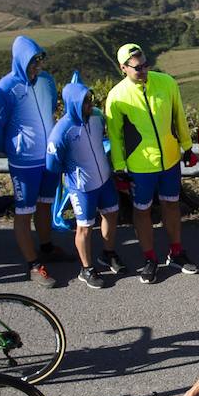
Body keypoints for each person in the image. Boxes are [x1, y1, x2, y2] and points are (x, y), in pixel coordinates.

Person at [104, 43, 199, 284]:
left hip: (169, 159)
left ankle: (176, 252)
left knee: (171, 206)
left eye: (146, 64)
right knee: (142, 211)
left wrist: (187, 147)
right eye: (137, 68)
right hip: (140, 166)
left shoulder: (166, 82)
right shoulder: (116, 96)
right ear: (123, 68)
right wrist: (118, 167)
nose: (144, 70)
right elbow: (115, 136)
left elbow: (178, 115)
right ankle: (149, 258)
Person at [0, 36, 62, 288]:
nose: (36, 65)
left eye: (39, 60)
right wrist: (11, 148)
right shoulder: (5, 88)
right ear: (20, 61)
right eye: (31, 61)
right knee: (24, 211)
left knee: (45, 205)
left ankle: (47, 247)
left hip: (48, 156)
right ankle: (32, 264)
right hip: (24, 161)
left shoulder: (46, 80)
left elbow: (51, 107)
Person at [46, 77, 120, 288]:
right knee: (84, 228)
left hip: (104, 179)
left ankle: (108, 253)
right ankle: (86, 269)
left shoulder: (96, 118)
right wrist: (72, 174)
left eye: (90, 99)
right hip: (82, 186)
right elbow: (52, 163)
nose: (90, 105)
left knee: (111, 214)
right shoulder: (62, 130)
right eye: (85, 102)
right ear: (73, 103)